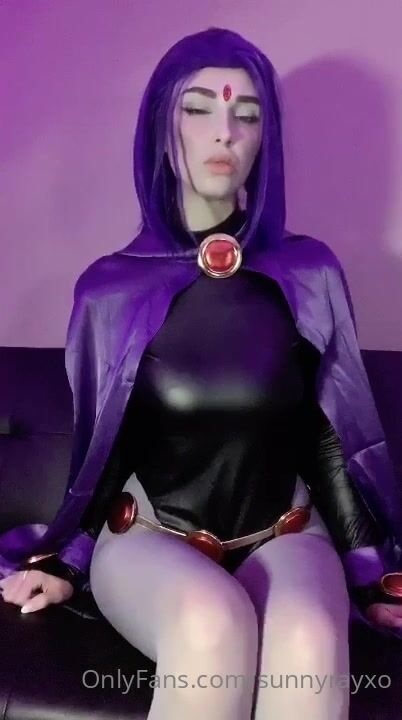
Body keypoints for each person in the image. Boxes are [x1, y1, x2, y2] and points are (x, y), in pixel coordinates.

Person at [1, 26, 402, 720]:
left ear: (264, 140)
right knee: (211, 623)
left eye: (248, 115)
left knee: (309, 638)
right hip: (148, 536)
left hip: (286, 531)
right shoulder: (111, 289)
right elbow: (105, 444)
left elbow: (329, 433)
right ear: (163, 131)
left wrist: (370, 570)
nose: (225, 132)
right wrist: (68, 559)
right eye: (198, 109)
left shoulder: (308, 273)